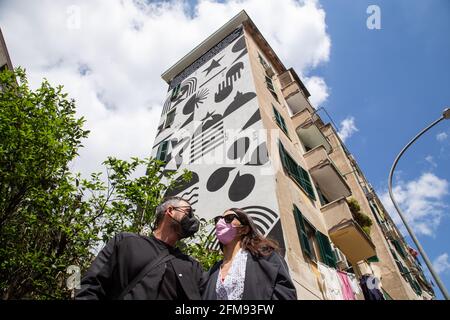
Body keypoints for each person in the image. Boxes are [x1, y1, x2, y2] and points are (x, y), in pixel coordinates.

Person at [75, 196, 202, 300]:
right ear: (170, 211)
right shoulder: (126, 243)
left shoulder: (191, 266)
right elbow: (90, 286)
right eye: (187, 212)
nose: (191, 219)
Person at [202, 208, 297, 300]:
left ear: (244, 229)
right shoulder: (212, 272)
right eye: (218, 219)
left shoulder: (266, 257)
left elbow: (285, 293)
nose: (220, 222)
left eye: (229, 218)